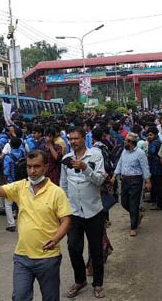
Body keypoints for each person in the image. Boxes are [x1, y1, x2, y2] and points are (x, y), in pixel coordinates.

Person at [0, 150, 71, 301]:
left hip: (48, 257)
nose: (32, 171)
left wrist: (56, 239)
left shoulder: (57, 193)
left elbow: (66, 220)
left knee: (50, 298)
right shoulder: (20, 187)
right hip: (22, 256)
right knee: (20, 297)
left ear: (45, 167)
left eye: (36, 166)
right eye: (29, 167)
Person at [61, 128, 107, 299]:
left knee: (96, 250)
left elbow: (100, 180)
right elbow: (63, 185)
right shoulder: (66, 159)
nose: (73, 142)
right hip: (73, 212)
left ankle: (98, 284)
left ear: (84, 139)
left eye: (76, 138)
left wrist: (86, 168)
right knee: (73, 247)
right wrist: (62, 209)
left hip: (94, 211)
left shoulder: (95, 156)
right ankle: (80, 280)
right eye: (70, 139)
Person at [112, 133, 151, 236]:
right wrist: (114, 176)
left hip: (135, 180)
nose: (124, 142)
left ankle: (133, 227)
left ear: (131, 142)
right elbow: (120, 163)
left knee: (133, 203)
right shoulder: (124, 152)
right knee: (124, 202)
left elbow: (145, 167)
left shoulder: (140, 153)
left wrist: (147, 181)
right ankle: (137, 215)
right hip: (124, 180)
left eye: (126, 140)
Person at [146, 127, 162, 210]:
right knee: (155, 185)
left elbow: (152, 152)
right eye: (148, 135)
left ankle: (160, 204)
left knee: (158, 186)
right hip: (155, 166)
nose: (149, 136)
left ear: (155, 135)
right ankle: (153, 199)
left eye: (151, 135)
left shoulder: (154, 143)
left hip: (156, 167)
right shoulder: (157, 142)